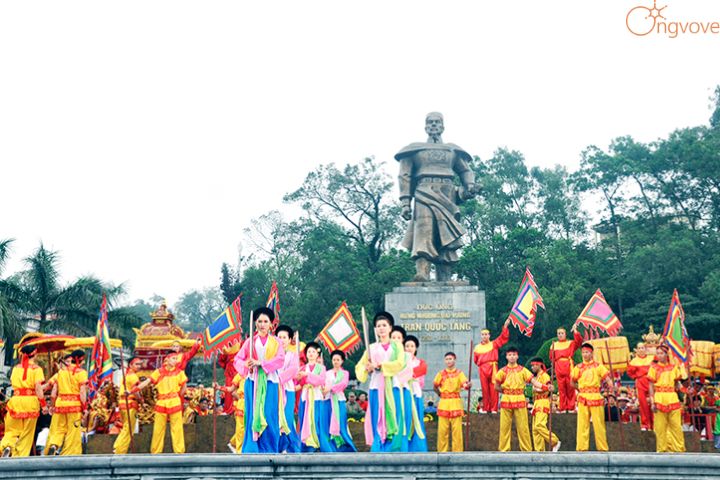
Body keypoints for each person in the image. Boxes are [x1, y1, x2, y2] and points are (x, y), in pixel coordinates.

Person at [395, 111, 479, 281]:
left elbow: (465, 170)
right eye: (430, 122)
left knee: (446, 235)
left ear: (443, 126)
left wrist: (469, 185)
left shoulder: (453, 150)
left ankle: (445, 277)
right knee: (423, 232)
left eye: (437, 122)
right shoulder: (414, 150)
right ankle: (422, 274)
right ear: (425, 126)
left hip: (448, 194)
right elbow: (405, 175)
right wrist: (405, 202)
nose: (433, 125)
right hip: (423, 191)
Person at [233, 307, 286, 454]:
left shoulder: (276, 342)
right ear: (255, 323)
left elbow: (280, 359)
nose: (262, 324)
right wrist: (246, 365)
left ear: (271, 324)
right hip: (253, 381)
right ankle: (252, 448)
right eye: (259, 321)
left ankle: (269, 448)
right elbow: (237, 359)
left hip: (270, 382)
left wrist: (261, 364)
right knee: (252, 413)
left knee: (269, 414)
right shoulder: (250, 341)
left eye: (265, 321)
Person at [355, 311, 406, 452]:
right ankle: (378, 447)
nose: (381, 328)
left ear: (390, 328)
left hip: (392, 386)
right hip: (376, 387)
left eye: (384, 325)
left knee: (393, 416)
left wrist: (380, 365)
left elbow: (400, 363)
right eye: (378, 326)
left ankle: (392, 448)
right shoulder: (371, 348)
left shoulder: (397, 346)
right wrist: (367, 368)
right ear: (376, 330)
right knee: (376, 417)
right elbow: (359, 367)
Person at [133, 354, 187, 454]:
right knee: (158, 429)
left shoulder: (180, 372)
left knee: (177, 428)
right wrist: (135, 389)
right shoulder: (159, 372)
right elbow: (147, 382)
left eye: (176, 359)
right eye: (173, 358)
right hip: (161, 402)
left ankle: (179, 452)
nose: (175, 360)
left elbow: (184, 387)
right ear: (167, 359)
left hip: (174, 401)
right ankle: (155, 451)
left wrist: (177, 396)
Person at [0, 345, 47, 457]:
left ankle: (7, 446)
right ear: (34, 354)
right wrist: (44, 404)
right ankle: (19, 456)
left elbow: (16, 384)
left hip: (16, 401)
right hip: (30, 402)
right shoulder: (37, 369)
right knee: (27, 433)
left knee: (12, 430)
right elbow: (37, 388)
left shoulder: (16, 368)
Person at [571, 342, 614, 452]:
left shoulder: (599, 366)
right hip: (583, 396)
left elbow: (608, 380)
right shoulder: (578, 367)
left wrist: (612, 389)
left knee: (598, 424)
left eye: (587, 352)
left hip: (595, 396)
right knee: (582, 424)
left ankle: (602, 448)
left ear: (591, 353)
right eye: (583, 352)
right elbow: (572, 382)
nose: (585, 354)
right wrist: (579, 389)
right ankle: (581, 448)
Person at [46, 349, 88, 456]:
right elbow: (83, 392)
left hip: (60, 404)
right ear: (81, 360)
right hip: (74, 405)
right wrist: (84, 408)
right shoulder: (82, 373)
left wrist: (52, 405)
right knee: (72, 431)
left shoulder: (61, 372)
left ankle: (54, 445)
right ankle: (69, 453)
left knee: (59, 428)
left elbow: (53, 392)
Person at [648, 344, 686, 452]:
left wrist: (686, 391)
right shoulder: (653, 368)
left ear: (666, 354)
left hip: (672, 396)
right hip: (659, 396)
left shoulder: (673, 368)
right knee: (660, 427)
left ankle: (679, 449)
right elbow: (650, 385)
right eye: (658, 353)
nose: (659, 356)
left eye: (661, 353)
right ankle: (662, 450)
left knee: (676, 426)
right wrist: (652, 401)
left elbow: (678, 384)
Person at [494, 347, 532, 452]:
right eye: (510, 355)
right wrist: (507, 392)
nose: (512, 357)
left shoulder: (523, 370)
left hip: (519, 398)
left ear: (517, 356)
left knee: (523, 426)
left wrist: (545, 387)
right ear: (506, 356)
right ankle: (504, 449)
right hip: (507, 398)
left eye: (514, 355)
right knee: (504, 426)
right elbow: (496, 386)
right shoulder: (502, 371)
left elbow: (532, 380)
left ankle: (526, 449)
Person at [297, 342, 333, 452]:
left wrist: (307, 375)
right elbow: (301, 381)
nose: (311, 353)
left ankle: (317, 444)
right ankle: (306, 445)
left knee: (316, 420)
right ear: (306, 354)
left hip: (316, 397)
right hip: (305, 396)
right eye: (309, 352)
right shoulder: (302, 367)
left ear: (317, 355)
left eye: (313, 351)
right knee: (304, 420)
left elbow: (320, 380)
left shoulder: (321, 368)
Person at [433, 351, 470, 452]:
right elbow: (435, 386)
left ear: (454, 359)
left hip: (455, 402)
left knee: (456, 431)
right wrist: (440, 394)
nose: (448, 361)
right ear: (445, 361)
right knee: (442, 430)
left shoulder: (459, 373)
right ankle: (442, 451)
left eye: (450, 359)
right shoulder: (441, 373)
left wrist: (468, 385)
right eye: (447, 359)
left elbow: (465, 384)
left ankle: (457, 452)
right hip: (444, 402)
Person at [473, 318, 510, 413]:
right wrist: (483, 364)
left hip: (493, 367)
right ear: (480, 336)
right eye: (483, 335)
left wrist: (505, 326)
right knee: (485, 389)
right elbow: (475, 360)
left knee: (494, 388)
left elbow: (503, 338)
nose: (484, 336)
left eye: (486, 334)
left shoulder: (494, 344)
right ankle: (486, 408)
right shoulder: (477, 347)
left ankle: (494, 408)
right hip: (483, 368)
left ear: (489, 335)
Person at [323, 349, 357, 452]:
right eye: (334, 359)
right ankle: (332, 448)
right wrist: (324, 389)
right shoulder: (327, 373)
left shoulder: (345, 373)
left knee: (341, 425)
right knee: (329, 425)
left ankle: (348, 448)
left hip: (339, 400)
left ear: (342, 361)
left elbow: (343, 384)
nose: (336, 361)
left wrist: (331, 388)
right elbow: (323, 384)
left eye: (338, 359)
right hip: (328, 401)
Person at [276, 325, 301, 453]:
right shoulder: (272, 354)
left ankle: (292, 448)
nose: (282, 340)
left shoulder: (293, 355)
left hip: (287, 389)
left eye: (284, 337)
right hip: (274, 389)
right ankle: (278, 447)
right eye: (279, 337)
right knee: (275, 418)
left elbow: (293, 370)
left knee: (287, 418)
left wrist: (279, 378)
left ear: (289, 339)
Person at [529, 357, 560, 452]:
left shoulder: (545, 376)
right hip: (536, 402)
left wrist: (535, 389)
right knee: (535, 429)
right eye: (532, 366)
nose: (532, 367)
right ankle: (540, 450)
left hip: (543, 401)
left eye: (534, 365)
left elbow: (549, 388)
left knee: (539, 425)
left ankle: (554, 441)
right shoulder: (537, 377)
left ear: (539, 365)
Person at [549, 326, 583, 413]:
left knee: (570, 386)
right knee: (561, 387)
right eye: (558, 333)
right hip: (559, 366)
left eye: (562, 333)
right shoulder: (554, 345)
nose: (560, 335)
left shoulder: (570, 343)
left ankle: (571, 407)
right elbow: (551, 357)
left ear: (565, 334)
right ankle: (563, 407)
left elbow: (579, 342)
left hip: (568, 365)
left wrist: (575, 330)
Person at [389, 325, 412, 451]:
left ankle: (402, 447)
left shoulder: (406, 356)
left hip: (402, 389)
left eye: (399, 337)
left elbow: (409, 372)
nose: (396, 340)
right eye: (393, 337)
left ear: (403, 340)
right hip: (389, 388)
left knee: (402, 417)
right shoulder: (386, 354)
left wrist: (398, 377)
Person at [113, 357, 142, 454]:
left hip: (123, 404)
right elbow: (136, 392)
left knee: (125, 427)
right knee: (128, 429)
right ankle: (119, 449)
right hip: (130, 404)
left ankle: (118, 447)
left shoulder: (126, 375)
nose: (139, 366)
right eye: (136, 364)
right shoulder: (133, 376)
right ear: (130, 365)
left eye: (140, 364)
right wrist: (141, 400)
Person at [405, 334, 428, 452]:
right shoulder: (400, 361)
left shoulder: (420, 362)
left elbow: (422, 371)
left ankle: (418, 447)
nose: (409, 348)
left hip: (415, 393)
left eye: (412, 346)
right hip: (404, 394)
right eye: (407, 346)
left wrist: (407, 373)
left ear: (416, 348)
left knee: (417, 420)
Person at [215, 371, 246, 453]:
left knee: (249, 428)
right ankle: (239, 451)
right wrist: (219, 387)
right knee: (240, 429)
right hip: (242, 404)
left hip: (253, 403)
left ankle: (233, 443)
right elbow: (231, 390)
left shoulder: (256, 374)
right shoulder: (239, 375)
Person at [626, 341, 654, 430]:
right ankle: (645, 424)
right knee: (643, 404)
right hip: (641, 382)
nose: (641, 350)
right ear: (636, 350)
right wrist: (637, 377)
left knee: (653, 402)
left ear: (645, 349)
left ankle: (654, 424)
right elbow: (630, 372)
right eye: (639, 348)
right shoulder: (634, 361)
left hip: (651, 382)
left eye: (643, 348)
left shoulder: (651, 359)